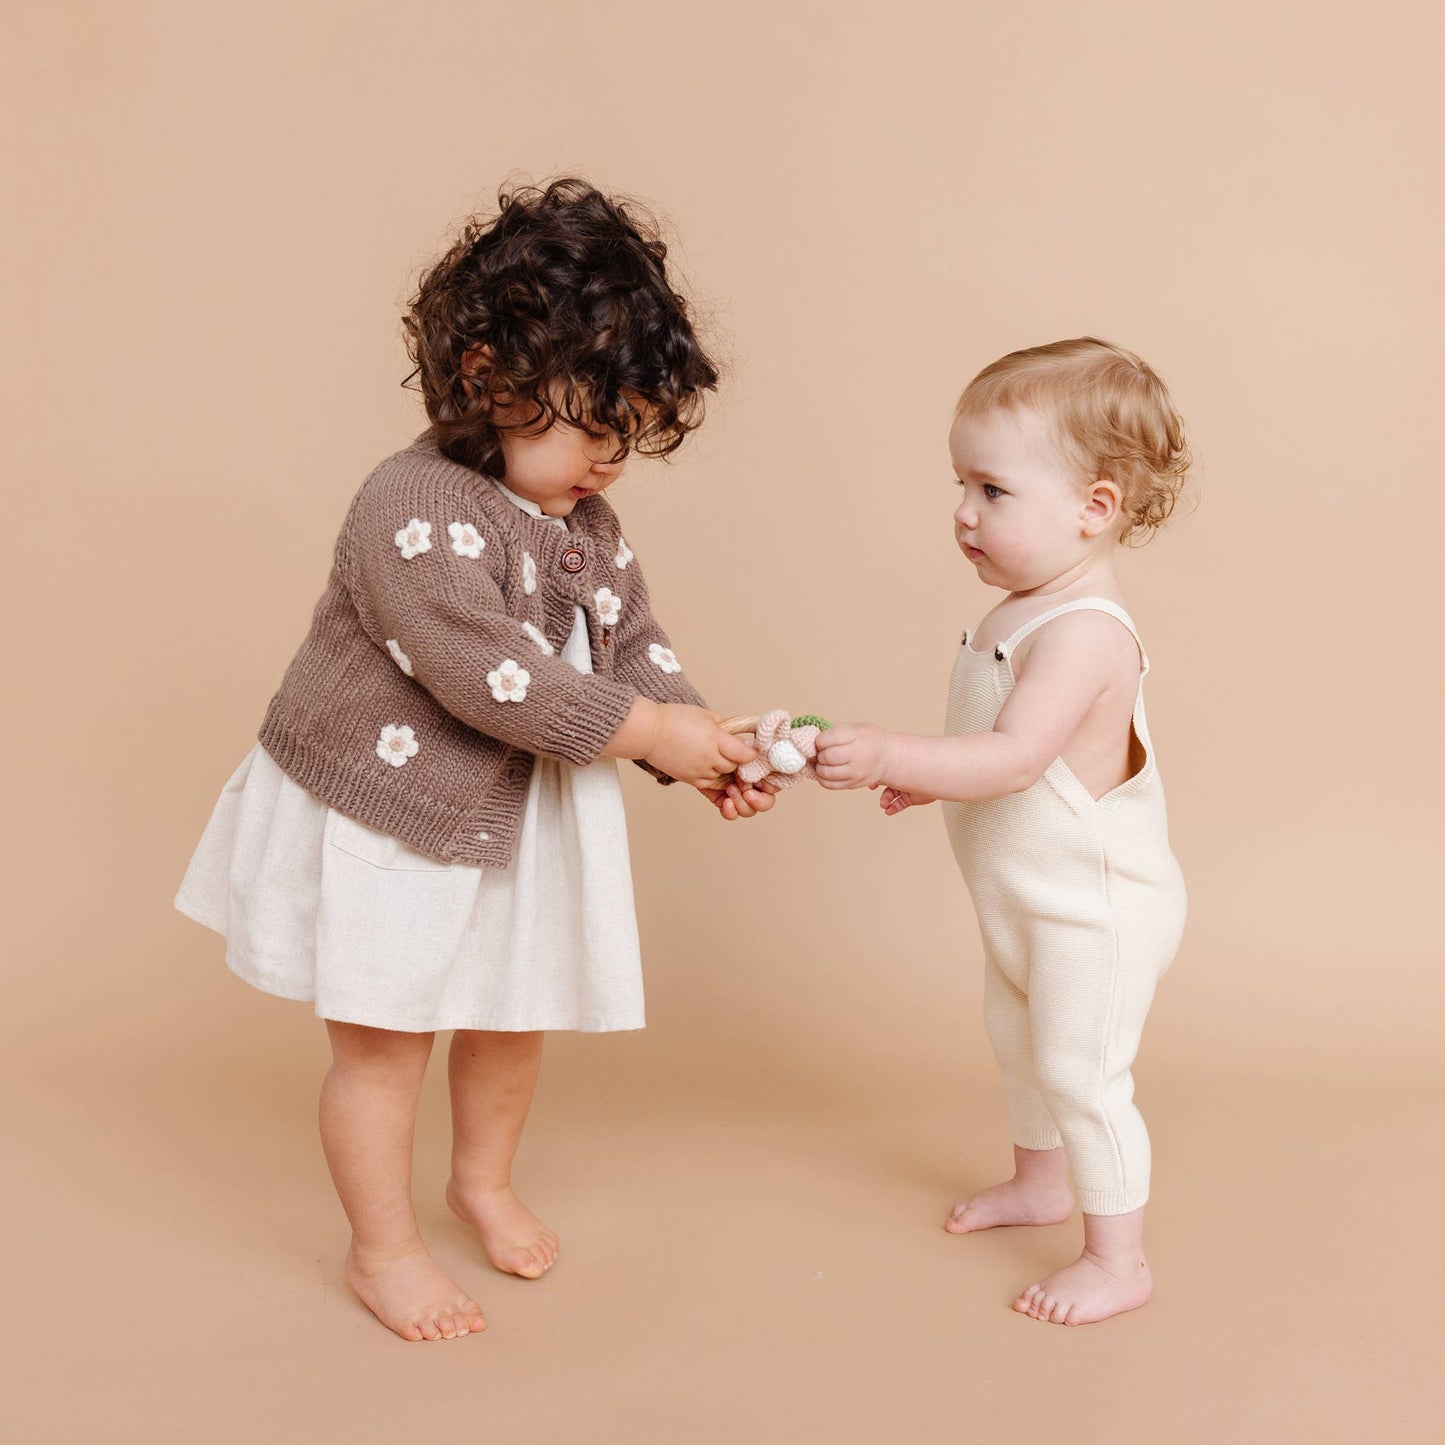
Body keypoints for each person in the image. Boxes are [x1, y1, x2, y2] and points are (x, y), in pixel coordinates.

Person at [175, 178, 773, 1342]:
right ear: (487, 377)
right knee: (384, 1042)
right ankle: (382, 1246)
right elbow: (487, 672)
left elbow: (629, 647)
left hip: (516, 821)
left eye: (627, 434)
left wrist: (696, 743)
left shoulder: (585, 524)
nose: (608, 458)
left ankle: (482, 1182)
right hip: (394, 814)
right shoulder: (408, 505)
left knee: (511, 1012)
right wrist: (648, 734)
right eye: (590, 425)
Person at [815, 338, 1190, 1326]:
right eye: (959, 483)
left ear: (1092, 507)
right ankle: (1039, 1183)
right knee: (1019, 1047)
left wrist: (896, 756)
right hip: (1023, 903)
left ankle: (1118, 1259)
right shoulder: (1014, 614)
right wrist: (937, 784)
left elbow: (1017, 758)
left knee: (1080, 1071)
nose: (962, 512)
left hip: (1093, 915)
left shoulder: (1082, 633)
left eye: (991, 489)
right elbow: (994, 755)